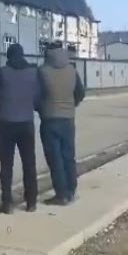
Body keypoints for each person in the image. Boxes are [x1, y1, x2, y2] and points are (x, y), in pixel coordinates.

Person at [0, 43, 40, 213]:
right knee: (29, 163)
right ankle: (31, 202)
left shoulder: (1, 72)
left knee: (6, 165)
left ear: (9, 56)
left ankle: (7, 203)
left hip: (6, 124)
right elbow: (37, 94)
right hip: (26, 123)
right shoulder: (33, 72)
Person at [37, 42, 85, 205]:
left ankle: (61, 194)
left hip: (49, 120)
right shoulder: (72, 70)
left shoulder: (42, 71)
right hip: (68, 119)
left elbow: (36, 96)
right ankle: (72, 190)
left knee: (55, 158)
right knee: (68, 156)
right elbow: (80, 93)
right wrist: (71, 105)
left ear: (47, 53)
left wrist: (42, 109)